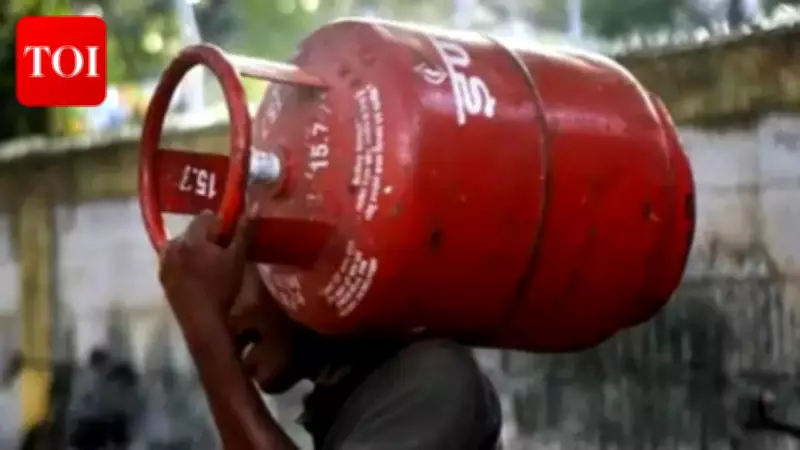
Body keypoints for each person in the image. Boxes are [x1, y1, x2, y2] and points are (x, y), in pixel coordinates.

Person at [158, 211, 503, 450]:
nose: (219, 311)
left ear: (298, 267)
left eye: (227, 280)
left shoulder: (431, 379)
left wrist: (205, 329)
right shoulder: (348, 399)